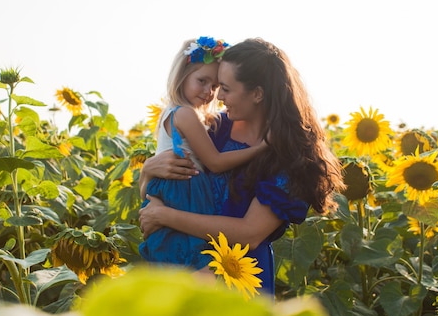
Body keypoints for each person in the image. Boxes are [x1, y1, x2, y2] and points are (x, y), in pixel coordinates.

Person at [139, 37, 345, 297]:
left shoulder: (290, 157)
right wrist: (147, 172)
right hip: (186, 267)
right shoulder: (215, 128)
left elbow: (249, 234)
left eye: (224, 88)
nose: (218, 97)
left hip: (239, 279)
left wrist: (166, 217)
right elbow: (161, 194)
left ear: (257, 93)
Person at [138, 36, 267, 270]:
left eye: (217, 86)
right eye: (202, 81)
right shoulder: (185, 115)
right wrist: (259, 149)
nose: (210, 92)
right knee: (196, 261)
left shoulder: (181, 113)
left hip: (175, 191)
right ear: (182, 75)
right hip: (183, 194)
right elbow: (215, 162)